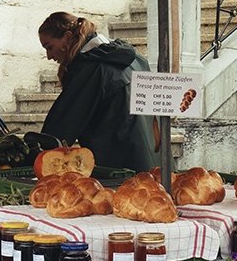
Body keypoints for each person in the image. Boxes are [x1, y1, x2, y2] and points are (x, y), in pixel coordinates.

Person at [38, 11, 156, 173]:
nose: (49, 56)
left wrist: (38, 151)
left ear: (67, 37)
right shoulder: (134, 57)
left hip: (121, 167)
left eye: (49, 47)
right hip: (154, 159)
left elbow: (65, 120)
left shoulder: (91, 68)